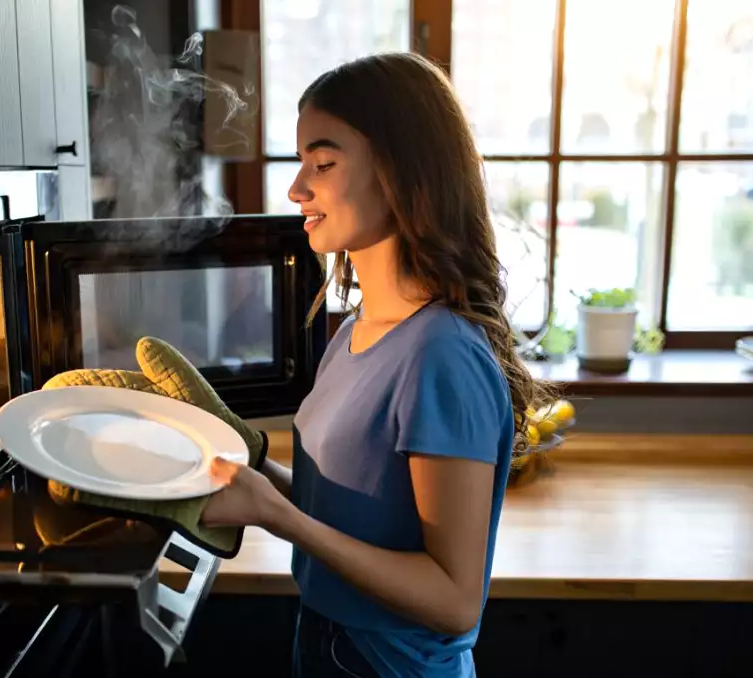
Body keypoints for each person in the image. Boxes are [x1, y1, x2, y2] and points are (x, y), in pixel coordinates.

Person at [201, 51, 545, 677]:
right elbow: (344, 512)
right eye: (301, 160)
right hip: (331, 643)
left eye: (323, 163)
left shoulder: (440, 353)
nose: (296, 188)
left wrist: (277, 514)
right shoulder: (357, 331)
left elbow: (454, 600)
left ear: (400, 172)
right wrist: (245, 467)